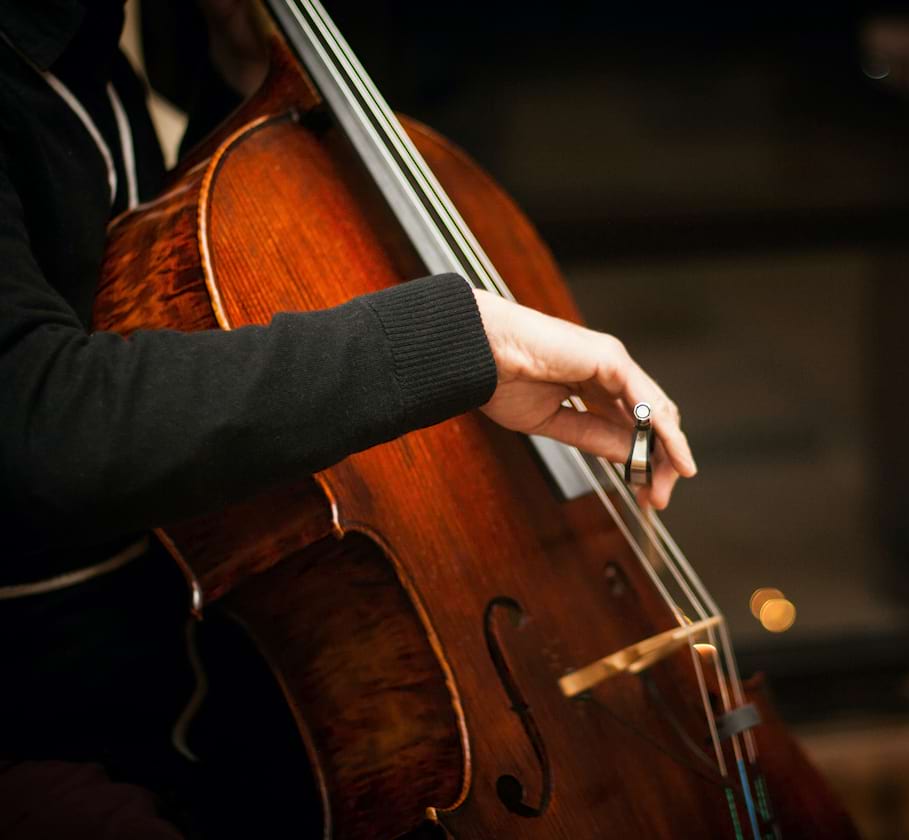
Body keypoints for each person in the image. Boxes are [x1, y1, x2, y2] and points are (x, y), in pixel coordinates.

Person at [0, 0, 695, 836]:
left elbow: (159, 287)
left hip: (187, 650)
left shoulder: (91, 37)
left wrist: (241, 72)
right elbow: (38, 419)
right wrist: (459, 342)